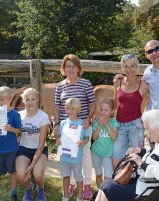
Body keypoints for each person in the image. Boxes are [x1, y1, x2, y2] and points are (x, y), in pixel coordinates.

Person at [95, 109, 159, 201]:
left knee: (109, 188)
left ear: (157, 127)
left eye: (147, 129)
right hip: (145, 182)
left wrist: (141, 164)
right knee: (106, 184)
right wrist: (139, 151)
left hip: (154, 187)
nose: (145, 133)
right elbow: (157, 155)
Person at [54, 54, 95, 199]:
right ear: (63, 69)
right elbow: (57, 107)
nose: (71, 69)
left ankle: (87, 185)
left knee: (84, 155)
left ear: (78, 68)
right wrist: (57, 125)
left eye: (73, 66)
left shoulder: (85, 84)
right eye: (68, 66)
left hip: (82, 126)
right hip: (66, 129)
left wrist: (89, 119)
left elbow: (92, 103)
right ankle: (71, 184)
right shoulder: (59, 86)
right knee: (68, 155)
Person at [0, 86, 22, 201]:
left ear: (9, 99)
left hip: (11, 149)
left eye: (2, 100)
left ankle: (13, 193)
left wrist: (11, 129)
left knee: (12, 171)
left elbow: (19, 131)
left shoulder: (15, 114)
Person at [112, 54, 149, 167]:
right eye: (126, 66)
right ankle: (120, 183)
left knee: (137, 159)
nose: (129, 69)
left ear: (137, 67)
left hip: (136, 125)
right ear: (122, 68)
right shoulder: (118, 82)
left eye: (132, 66)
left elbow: (152, 102)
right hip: (120, 126)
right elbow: (115, 103)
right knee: (116, 161)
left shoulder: (143, 84)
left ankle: (136, 184)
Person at [16, 88, 50, 201]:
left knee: (37, 174)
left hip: (40, 149)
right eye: (27, 99)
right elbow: (13, 133)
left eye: (33, 99)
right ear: (23, 101)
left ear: (37, 100)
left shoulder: (43, 117)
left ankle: (41, 188)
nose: (30, 102)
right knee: (20, 174)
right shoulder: (18, 116)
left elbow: (41, 144)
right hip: (24, 148)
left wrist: (31, 165)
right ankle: (29, 187)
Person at [57, 98, 90, 201]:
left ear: (78, 110)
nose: (69, 111)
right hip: (64, 157)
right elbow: (60, 137)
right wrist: (58, 140)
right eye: (67, 108)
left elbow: (87, 137)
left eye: (72, 109)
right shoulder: (63, 123)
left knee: (78, 177)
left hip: (76, 158)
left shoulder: (82, 123)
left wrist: (83, 142)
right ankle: (65, 196)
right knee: (65, 176)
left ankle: (80, 196)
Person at [92, 98, 119, 188]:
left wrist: (106, 124)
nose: (103, 112)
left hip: (107, 154)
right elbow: (94, 137)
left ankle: (105, 193)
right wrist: (99, 125)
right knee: (98, 174)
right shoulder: (97, 122)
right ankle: (100, 192)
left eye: (106, 110)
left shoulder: (113, 122)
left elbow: (114, 137)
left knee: (108, 176)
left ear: (112, 111)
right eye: (101, 109)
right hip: (96, 153)